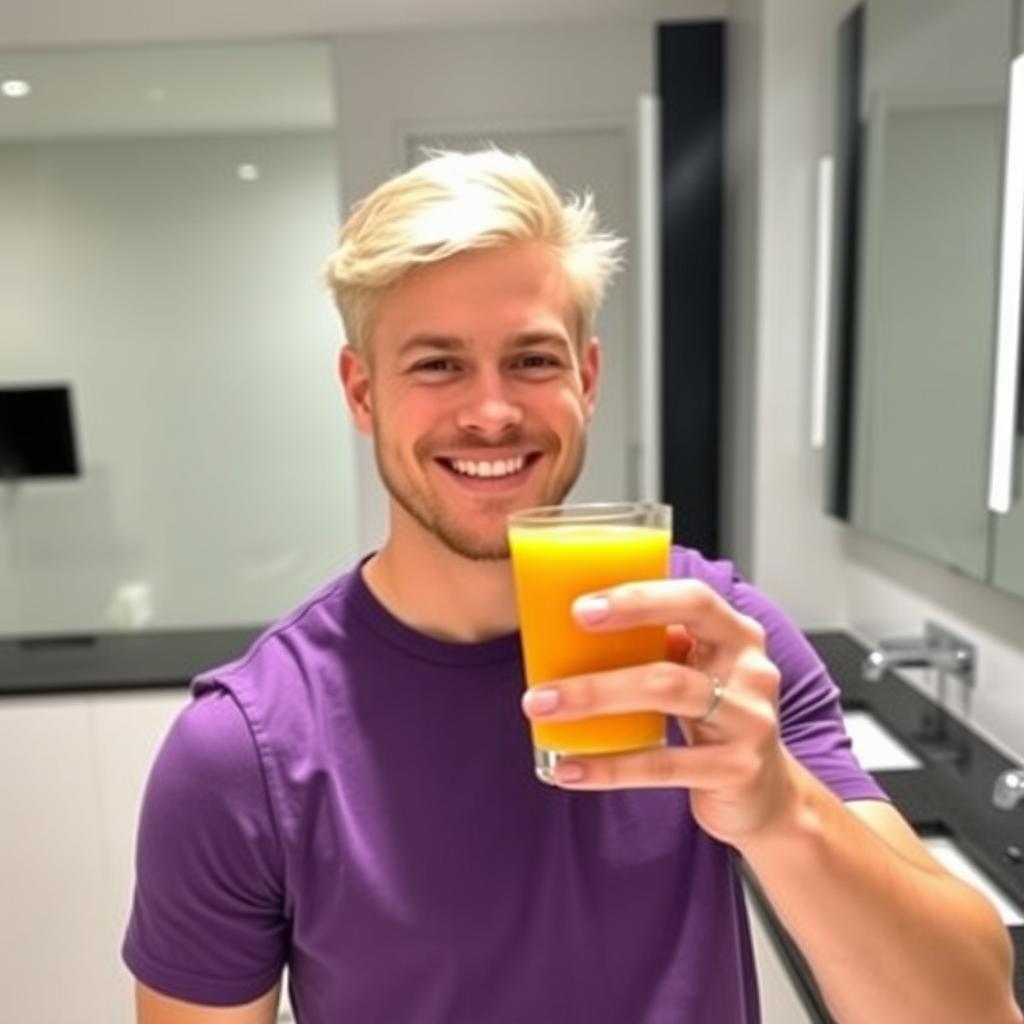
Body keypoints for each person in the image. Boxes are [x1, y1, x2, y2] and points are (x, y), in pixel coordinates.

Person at [123, 148, 1021, 1024]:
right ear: (362, 395)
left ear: (586, 380)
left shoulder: (715, 647)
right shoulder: (244, 751)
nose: (491, 411)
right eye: (437, 364)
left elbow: (974, 1009)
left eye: (534, 360)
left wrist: (784, 813)